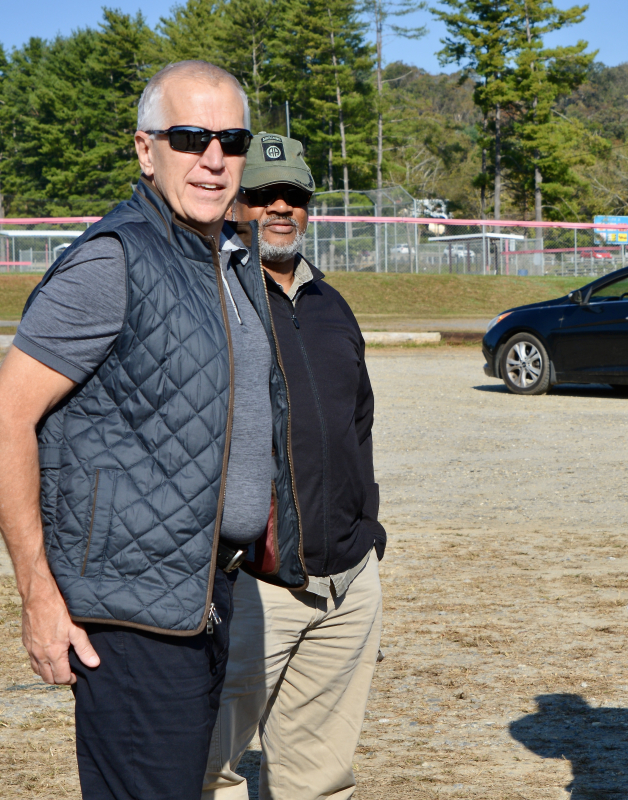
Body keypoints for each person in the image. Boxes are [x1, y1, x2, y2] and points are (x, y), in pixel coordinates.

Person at [0, 61, 307, 800]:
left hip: (203, 598)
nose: (213, 159)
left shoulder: (227, 257)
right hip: (131, 620)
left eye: (231, 138)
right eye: (189, 137)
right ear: (145, 149)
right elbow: (0, 422)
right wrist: (38, 596)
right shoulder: (114, 260)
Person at [203, 133, 385, 800]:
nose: (279, 208)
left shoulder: (330, 305)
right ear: (232, 204)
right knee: (209, 771)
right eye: (260, 195)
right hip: (255, 589)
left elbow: (358, 425)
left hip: (346, 586)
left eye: (295, 196)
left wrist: (368, 533)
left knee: (320, 779)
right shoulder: (211, 301)